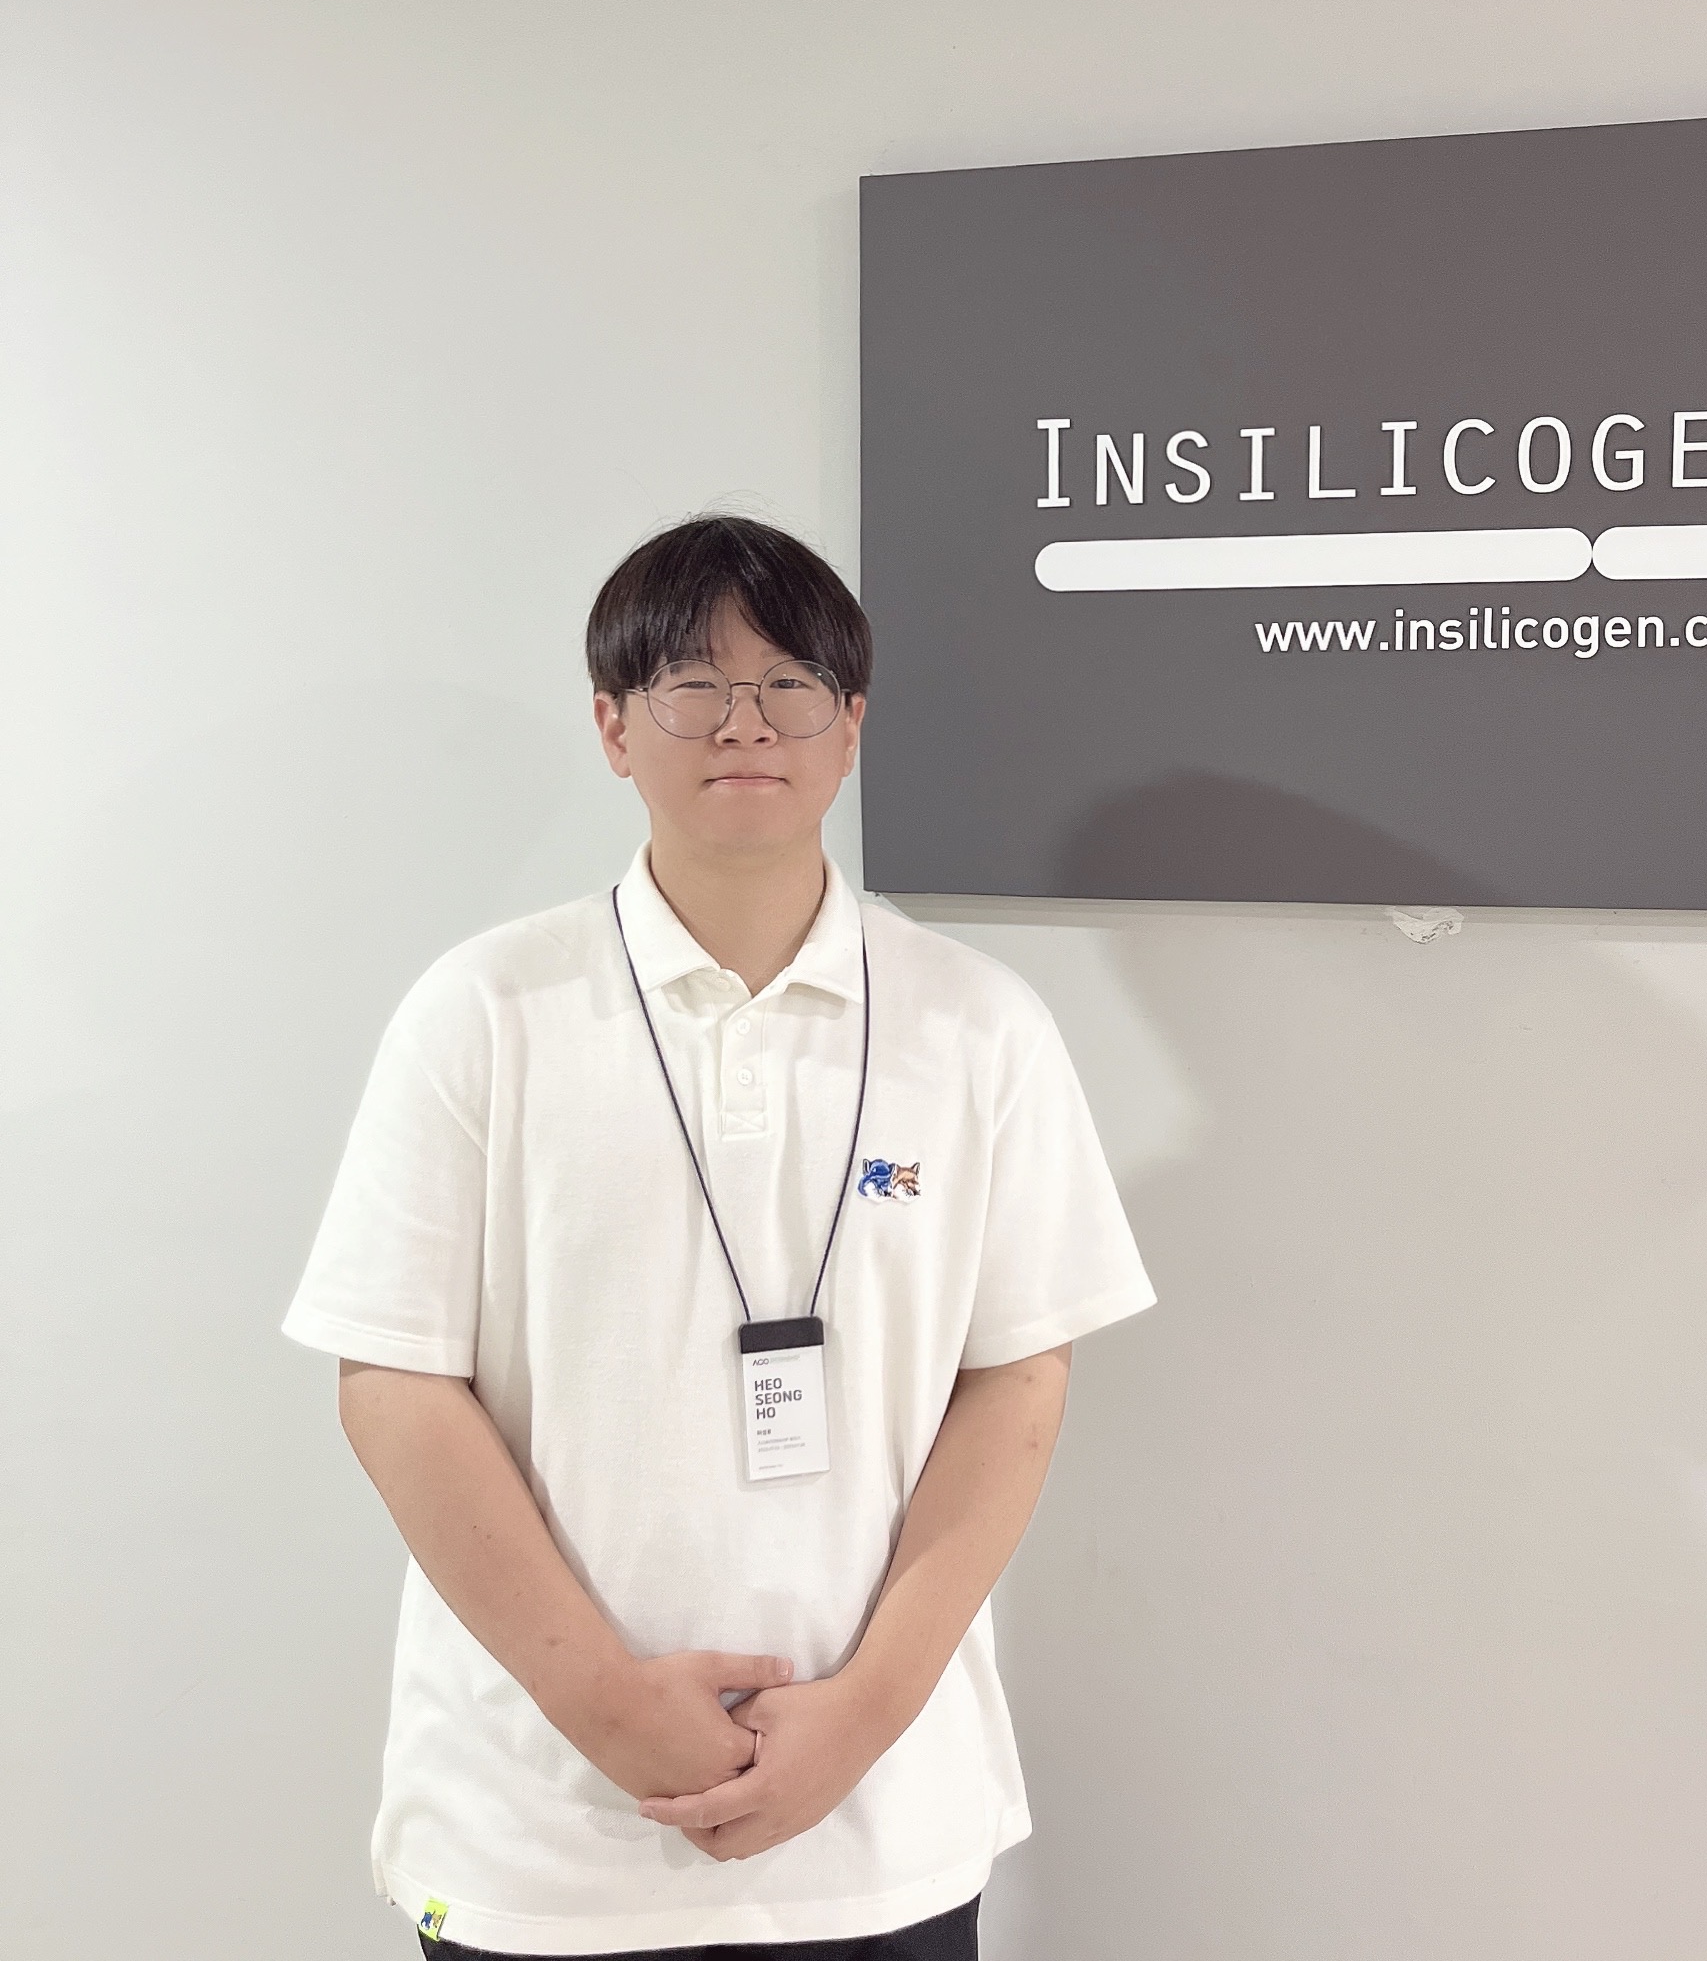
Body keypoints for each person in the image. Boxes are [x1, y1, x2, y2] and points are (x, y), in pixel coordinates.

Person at [284, 514, 1155, 1959]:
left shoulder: (979, 1026)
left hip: (879, 1822)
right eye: (692, 685)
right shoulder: (483, 1012)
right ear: (613, 727)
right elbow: (392, 1380)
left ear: (851, 725)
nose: (745, 723)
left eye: (790, 685)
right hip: (541, 1828)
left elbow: (1018, 1377)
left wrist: (866, 1711)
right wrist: (603, 1702)